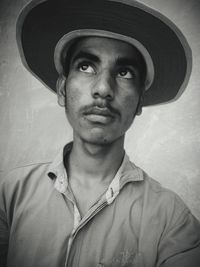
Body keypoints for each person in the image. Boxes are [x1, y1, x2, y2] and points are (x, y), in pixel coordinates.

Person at [0, 0, 200, 266]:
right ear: (62, 90)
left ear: (139, 101)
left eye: (125, 72)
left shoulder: (172, 220)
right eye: (86, 66)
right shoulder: (9, 193)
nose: (104, 88)